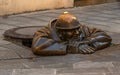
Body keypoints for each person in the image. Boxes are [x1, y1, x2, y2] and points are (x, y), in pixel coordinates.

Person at [32, 12, 112, 56]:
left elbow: (106, 37)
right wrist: (68, 47)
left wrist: (87, 41)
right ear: (60, 31)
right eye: (72, 30)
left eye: (77, 29)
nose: (77, 32)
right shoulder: (46, 31)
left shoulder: (82, 29)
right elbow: (37, 46)